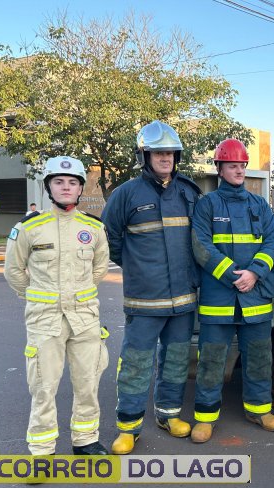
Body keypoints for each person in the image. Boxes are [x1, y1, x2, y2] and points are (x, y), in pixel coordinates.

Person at [101, 120, 202, 454]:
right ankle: (128, 427)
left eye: (170, 153)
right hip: (144, 299)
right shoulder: (126, 194)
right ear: (144, 156)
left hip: (183, 299)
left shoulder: (189, 192)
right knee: (136, 363)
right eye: (158, 153)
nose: (165, 158)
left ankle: (168, 415)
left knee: (175, 360)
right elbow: (109, 242)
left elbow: (200, 240)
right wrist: (136, 267)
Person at [4, 156, 110, 456]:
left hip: (85, 318)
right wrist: (38, 296)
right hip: (45, 320)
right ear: (48, 187)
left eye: (72, 182)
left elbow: (100, 268)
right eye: (59, 182)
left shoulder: (93, 227)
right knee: (43, 386)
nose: (66, 187)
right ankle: (42, 449)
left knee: (88, 382)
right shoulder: (29, 227)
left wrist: (78, 294)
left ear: (80, 188)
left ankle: (85, 440)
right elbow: (14, 271)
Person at [190, 138, 274, 443]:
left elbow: (273, 242)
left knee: (259, 358)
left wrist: (255, 272)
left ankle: (259, 410)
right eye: (232, 165)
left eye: (242, 165)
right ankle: (205, 417)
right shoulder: (207, 205)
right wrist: (234, 275)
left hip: (255, 297)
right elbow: (201, 246)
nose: (239, 170)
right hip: (219, 298)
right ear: (220, 169)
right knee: (211, 360)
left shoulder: (259, 205)